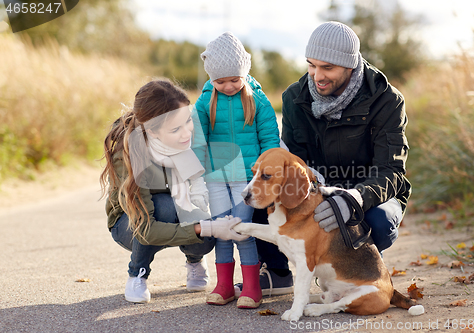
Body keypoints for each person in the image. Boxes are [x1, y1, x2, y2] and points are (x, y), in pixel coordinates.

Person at [100, 79, 247, 304]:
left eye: (187, 121)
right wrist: (204, 226)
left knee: (205, 235)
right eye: (176, 129)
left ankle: (194, 260)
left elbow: (197, 183)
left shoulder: (181, 145)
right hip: (130, 225)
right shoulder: (130, 153)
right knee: (165, 208)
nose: (187, 132)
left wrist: (204, 218)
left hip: (173, 209)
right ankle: (137, 274)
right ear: (153, 131)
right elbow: (146, 229)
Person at [280, 21, 411, 255]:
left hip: (369, 193)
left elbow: (391, 171)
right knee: (261, 198)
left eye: (327, 68)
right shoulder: (294, 98)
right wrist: (318, 196)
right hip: (318, 190)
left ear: (350, 65)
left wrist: (354, 199)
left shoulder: (387, 100)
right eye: (311, 65)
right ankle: (279, 274)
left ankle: (360, 269)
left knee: (379, 221)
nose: (317, 76)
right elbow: (295, 165)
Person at [192, 32, 280, 309]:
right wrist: (195, 177)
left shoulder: (259, 101)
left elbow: (269, 141)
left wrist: (268, 176)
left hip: (246, 179)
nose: (228, 86)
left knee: (241, 230)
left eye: (234, 79)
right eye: (220, 81)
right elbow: (197, 142)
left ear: (244, 74)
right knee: (222, 230)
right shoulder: (205, 102)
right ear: (211, 78)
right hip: (216, 178)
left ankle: (252, 286)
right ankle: (224, 285)